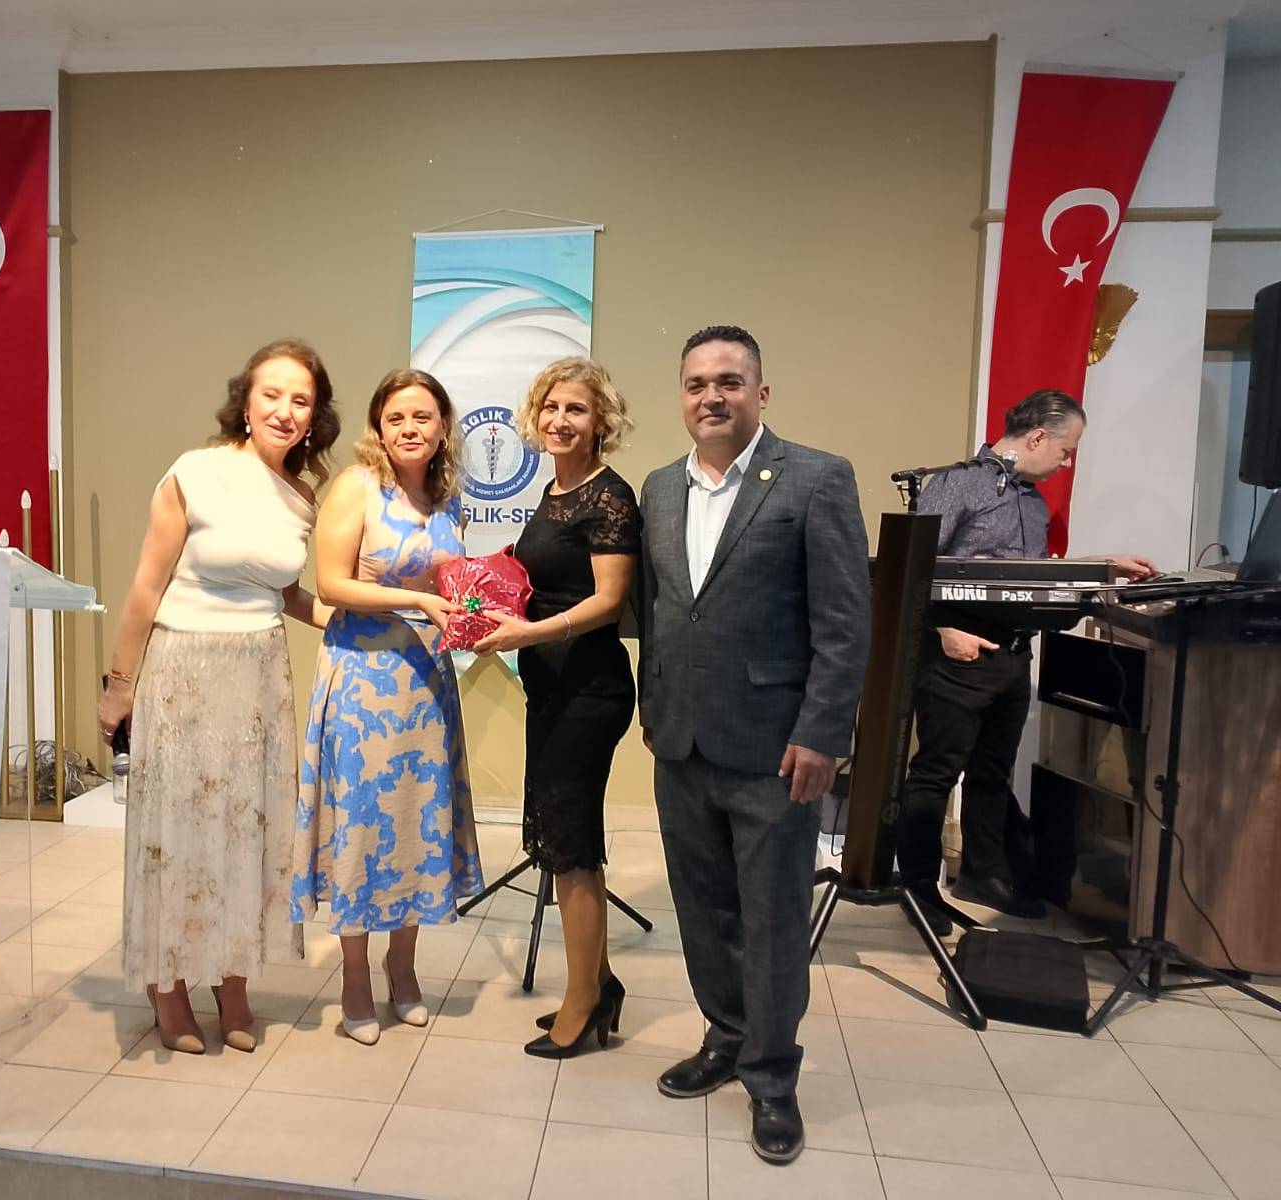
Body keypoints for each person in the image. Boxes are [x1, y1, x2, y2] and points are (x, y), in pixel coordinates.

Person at [638, 325, 869, 1165]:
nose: (712, 396)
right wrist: (652, 709)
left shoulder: (816, 478)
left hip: (776, 750)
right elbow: (663, 611)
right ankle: (726, 1037)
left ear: (760, 393)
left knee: (771, 921)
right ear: (682, 395)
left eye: (729, 382)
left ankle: (772, 1080)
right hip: (682, 742)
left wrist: (823, 733)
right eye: (697, 383)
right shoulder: (660, 488)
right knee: (704, 911)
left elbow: (845, 623)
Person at [97, 338, 339, 1055]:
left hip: (260, 675)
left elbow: (285, 592)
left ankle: (233, 980)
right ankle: (168, 982)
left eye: (301, 400)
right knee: (179, 833)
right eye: (273, 394)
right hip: (184, 671)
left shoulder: (302, 497)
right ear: (246, 400)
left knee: (248, 832)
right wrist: (119, 686)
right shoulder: (195, 472)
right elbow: (146, 586)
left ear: (314, 416)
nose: (285, 410)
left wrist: (366, 618)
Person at [897, 388, 1156, 933]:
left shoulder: (1033, 504)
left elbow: (1030, 580)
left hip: (1013, 659)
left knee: (992, 774)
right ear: (1037, 437)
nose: (1067, 463)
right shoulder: (958, 484)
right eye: (1065, 450)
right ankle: (917, 887)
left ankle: (983, 874)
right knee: (935, 773)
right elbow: (912, 569)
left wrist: (1102, 566)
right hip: (957, 656)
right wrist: (943, 630)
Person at [291, 368, 484, 1046]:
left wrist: (475, 611)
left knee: (413, 825)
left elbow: (451, 586)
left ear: (442, 427)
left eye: (422, 417)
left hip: (427, 684)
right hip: (363, 681)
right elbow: (331, 584)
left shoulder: (447, 497)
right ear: (378, 426)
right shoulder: (356, 486)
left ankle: (402, 970)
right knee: (363, 829)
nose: (409, 428)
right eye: (396, 417)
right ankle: (354, 980)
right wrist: (420, 600)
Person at [471, 358, 642, 1059]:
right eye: (550, 407)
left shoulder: (609, 497)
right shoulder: (555, 491)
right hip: (551, 687)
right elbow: (550, 577)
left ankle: (583, 1004)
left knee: (572, 850)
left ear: (601, 421)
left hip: (590, 691)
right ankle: (598, 982)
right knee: (561, 838)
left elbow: (608, 602)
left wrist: (530, 634)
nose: (559, 420)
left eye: (576, 409)